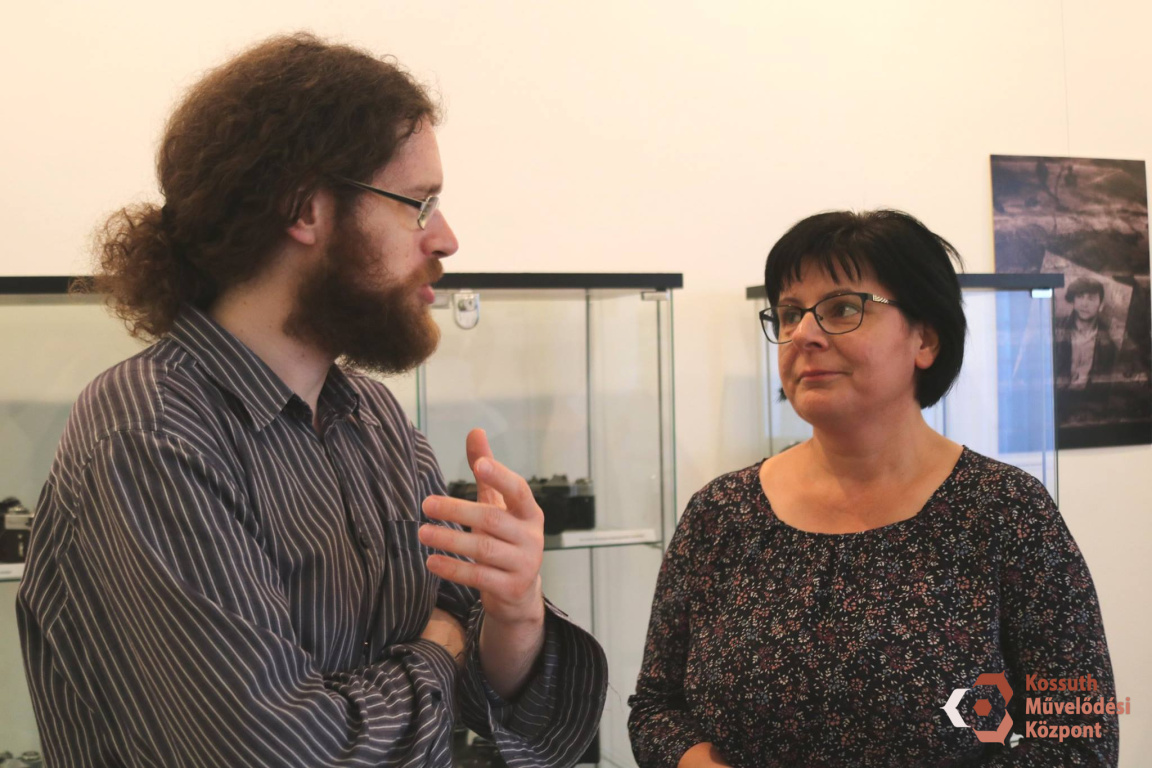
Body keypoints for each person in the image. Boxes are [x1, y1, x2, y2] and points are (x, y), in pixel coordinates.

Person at [17, 34, 606, 768]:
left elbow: (488, 698)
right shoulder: (149, 431)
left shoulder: (376, 422)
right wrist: (440, 649)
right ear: (305, 209)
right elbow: (281, 751)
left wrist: (513, 612)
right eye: (419, 204)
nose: (446, 238)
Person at [629, 210, 1118, 767]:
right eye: (789, 315)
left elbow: (1079, 738)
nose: (802, 335)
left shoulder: (1005, 509)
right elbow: (657, 708)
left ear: (925, 338)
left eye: (841, 308)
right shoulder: (722, 512)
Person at [1055, 276, 1118, 390]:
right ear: (1073, 301)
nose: (1084, 304)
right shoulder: (1057, 329)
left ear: (1101, 305)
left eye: (1091, 298)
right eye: (1080, 297)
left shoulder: (1109, 342)